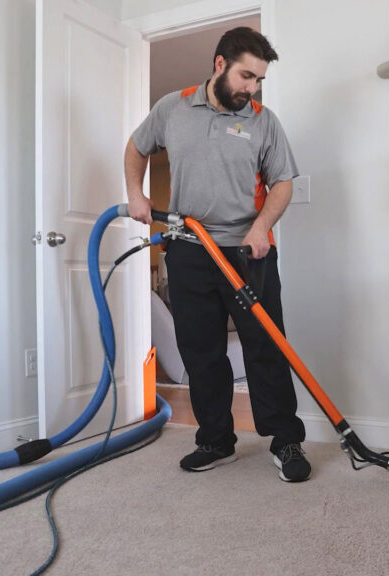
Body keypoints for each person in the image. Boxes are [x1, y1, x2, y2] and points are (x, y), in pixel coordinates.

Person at [124, 27, 310, 482]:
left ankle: (285, 440)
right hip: (188, 250)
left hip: (249, 251)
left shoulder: (264, 119)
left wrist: (262, 227)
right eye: (247, 76)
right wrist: (135, 194)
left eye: (259, 80)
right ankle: (216, 440)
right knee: (201, 349)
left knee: (265, 345)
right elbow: (136, 147)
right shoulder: (172, 107)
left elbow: (283, 181)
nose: (252, 88)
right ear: (220, 64)